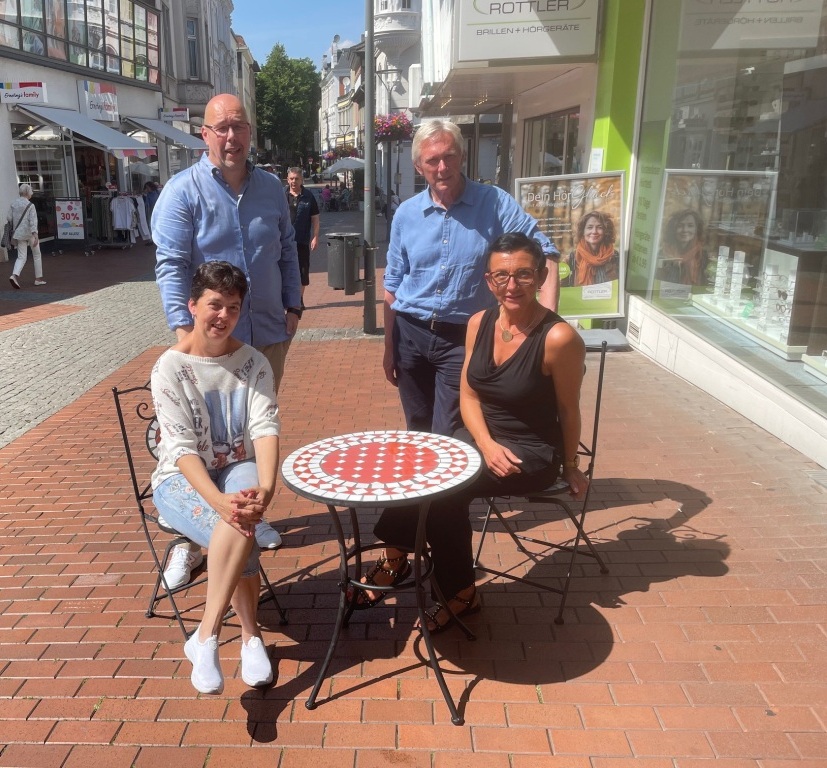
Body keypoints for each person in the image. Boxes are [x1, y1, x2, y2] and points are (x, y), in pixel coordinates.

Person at [356, 233, 588, 631]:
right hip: (481, 438)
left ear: (541, 276)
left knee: (444, 492)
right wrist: (485, 443)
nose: (512, 285)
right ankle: (400, 560)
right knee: (419, 466)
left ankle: (457, 591)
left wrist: (571, 466)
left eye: (523, 274)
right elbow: (468, 395)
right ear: (488, 281)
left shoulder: (558, 338)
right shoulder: (479, 323)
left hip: (530, 451)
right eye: (501, 276)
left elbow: (568, 410)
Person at [152, 93, 301, 585]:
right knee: (199, 438)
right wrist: (184, 332)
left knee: (248, 434)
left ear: (250, 132)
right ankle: (191, 539)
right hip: (208, 343)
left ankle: (248, 514)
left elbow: (287, 248)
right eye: (222, 127)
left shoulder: (272, 188)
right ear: (205, 134)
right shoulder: (182, 191)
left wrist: (294, 304)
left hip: (267, 332)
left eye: (239, 126)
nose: (231, 136)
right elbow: (171, 265)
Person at [383, 118, 560, 438]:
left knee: (450, 432)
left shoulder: (494, 203)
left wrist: (544, 327)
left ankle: (449, 472)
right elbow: (393, 284)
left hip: (464, 338)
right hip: (410, 335)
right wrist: (389, 349)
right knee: (417, 429)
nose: (442, 167)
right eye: (432, 160)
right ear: (419, 167)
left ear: (462, 157)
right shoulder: (406, 214)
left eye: (449, 156)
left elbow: (545, 252)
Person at [151, 261, 280, 694]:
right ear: (193, 305)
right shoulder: (169, 367)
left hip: (235, 467)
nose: (223, 315)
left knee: (242, 511)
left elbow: (264, 428)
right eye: (215, 305)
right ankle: (246, 636)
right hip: (179, 479)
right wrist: (220, 502)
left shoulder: (253, 363)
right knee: (241, 528)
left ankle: (206, 638)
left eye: (233, 307)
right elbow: (181, 448)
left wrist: (266, 489)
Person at [285, 166, 320, 307]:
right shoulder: (281, 195)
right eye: (291, 178)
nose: (294, 181)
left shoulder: (308, 196)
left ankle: (298, 300)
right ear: (287, 180)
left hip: (302, 241)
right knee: (284, 270)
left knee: (302, 271)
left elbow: (315, 218)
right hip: (284, 241)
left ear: (302, 180)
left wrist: (315, 237)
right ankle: (286, 299)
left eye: (297, 179)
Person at [563, 211, 620, 287]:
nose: (594, 231)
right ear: (583, 231)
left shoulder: (615, 257)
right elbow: (561, 290)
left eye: (599, 227)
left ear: (605, 231)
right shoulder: (570, 260)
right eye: (590, 227)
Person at [8, 184, 45, 289]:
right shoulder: (30, 205)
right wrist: (35, 235)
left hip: (19, 234)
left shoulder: (13, 204)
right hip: (30, 234)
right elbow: (33, 221)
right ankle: (38, 279)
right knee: (36, 255)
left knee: (21, 257)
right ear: (28, 192)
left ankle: (14, 275)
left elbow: (9, 218)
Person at [657, 209, 708, 285]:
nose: (685, 230)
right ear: (673, 229)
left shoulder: (702, 255)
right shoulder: (663, 253)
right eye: (680, 226)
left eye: (690, 226)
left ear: (696, 229)